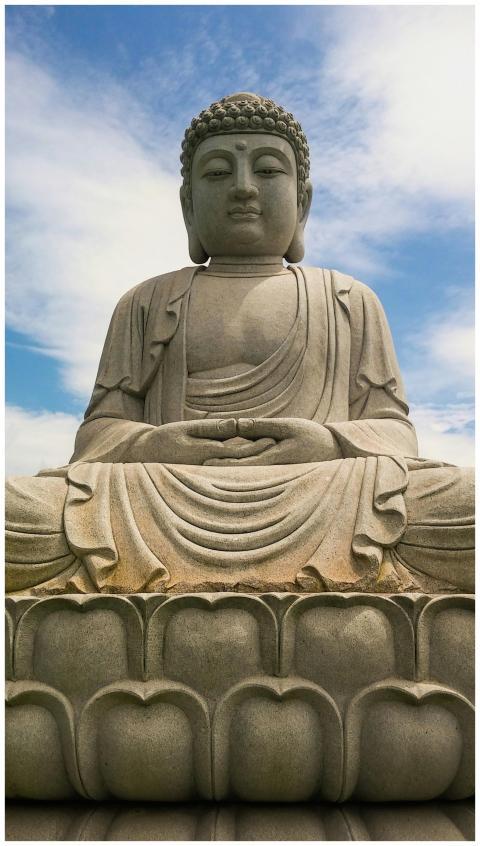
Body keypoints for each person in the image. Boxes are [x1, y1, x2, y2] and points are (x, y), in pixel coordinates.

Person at [6, 92, 474, 595]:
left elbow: (394, 433)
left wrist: (330, 442)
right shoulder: (145, 301)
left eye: (268, 170)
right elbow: (98, 435)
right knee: (20, 513)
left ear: (302, 202)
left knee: (464, 502)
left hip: (327, 492)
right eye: (217, 173)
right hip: (161, 495)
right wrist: (151, 443)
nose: (244, 188)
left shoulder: (348, 299)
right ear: (188, 205)